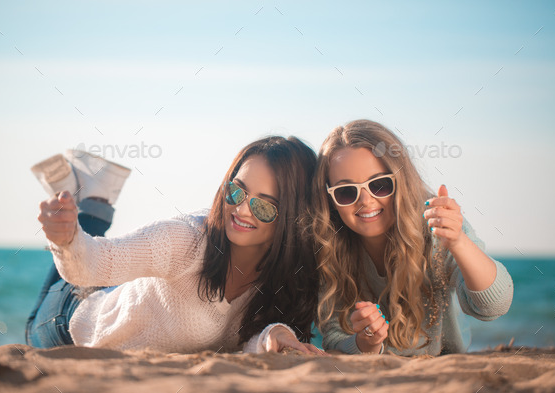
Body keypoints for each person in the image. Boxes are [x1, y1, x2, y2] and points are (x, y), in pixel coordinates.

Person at [26, 137, 323, 355]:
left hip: (117, 302)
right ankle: (89, 204)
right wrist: (65, 238)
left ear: (293, 217)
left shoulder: (286, 278)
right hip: (73, 322)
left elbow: (250, 342)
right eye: (236, 192)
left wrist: (275, 337)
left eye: (264, 207)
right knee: (30, 329)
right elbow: (94, 264)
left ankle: (92, 197)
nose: (242, 210)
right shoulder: (186, 239)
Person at [284, 119, 513, 356]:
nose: (365, 201)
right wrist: (366, 343)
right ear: (329, 199)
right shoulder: (328, 244)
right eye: (346, 191)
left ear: (401, 181)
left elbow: (493, 306)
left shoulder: (434, 223)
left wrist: (458, 242)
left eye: (380, 185)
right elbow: (334, 338)